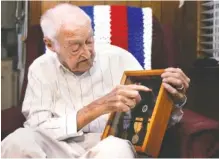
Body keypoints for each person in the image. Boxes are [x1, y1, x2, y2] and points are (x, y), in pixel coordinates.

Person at [1, 3, 190, 158]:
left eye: (89, 41)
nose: (87, 52)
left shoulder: (119, 58)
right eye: (75, 47)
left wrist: (174, 98)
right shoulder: (40, 68)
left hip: (104, 145)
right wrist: (96, 108)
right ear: (50, 44)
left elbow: (151, 113)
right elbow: (37, 126)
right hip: (55, 148)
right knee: (17, 140)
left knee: (117, 149)